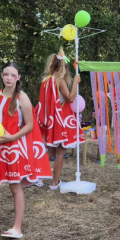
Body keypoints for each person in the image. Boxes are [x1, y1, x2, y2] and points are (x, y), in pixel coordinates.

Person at [0, 63, 51, 239]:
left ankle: (17, 228)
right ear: (1, 76)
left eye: (12, 75)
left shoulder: (22, 98)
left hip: (12, 148)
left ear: (18, 78)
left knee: (15, 187)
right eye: (5, 74)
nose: (8, 78)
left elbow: (30, 125)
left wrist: (12, 137)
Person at [36, 49, 82, 190]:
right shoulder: (59, 81)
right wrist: (75, 82)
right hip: (60, 120)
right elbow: (70, 97)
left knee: (51, 150)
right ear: (64, 66)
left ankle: (37, 176)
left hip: (50, 120)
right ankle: (55, 183)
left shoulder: (46, 80)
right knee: (60, 151)